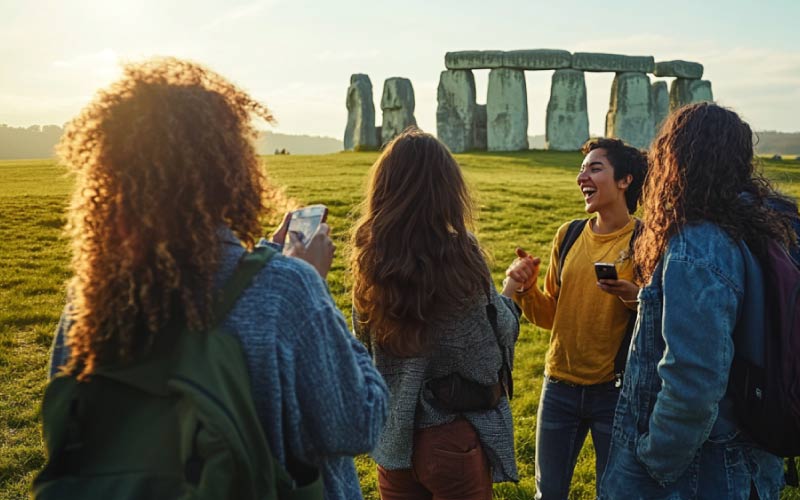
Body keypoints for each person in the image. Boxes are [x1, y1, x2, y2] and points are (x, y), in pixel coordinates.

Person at [48, 57, 388, 500]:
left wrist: (265, 256)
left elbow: (69, 439)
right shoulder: (287, 290)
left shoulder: (89, 299)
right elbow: (357, 423)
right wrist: (311, 282)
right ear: (228, 168)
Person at [598, 103, 790, 499]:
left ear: (675, 158)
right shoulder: (764, 225)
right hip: (753, 453)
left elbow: (693, 380)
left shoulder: (698, 243)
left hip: (701, 468)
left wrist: (654, 460)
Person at [350, 129, 521, 500]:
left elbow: (362, 347)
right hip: (449, 434)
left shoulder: (369, 258)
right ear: (445, 188)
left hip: (393, 441)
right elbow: (488, 346)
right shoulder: (461, 255)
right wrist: (509, 296)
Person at [504, 138, 648, 499]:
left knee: (613, 494)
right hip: (558, 387)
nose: (582, 176)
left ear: (625, 180)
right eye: (581, 168)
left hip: (614, 393)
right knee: (548, 494)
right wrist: (525, 290)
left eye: (595, 168)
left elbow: (659, 318)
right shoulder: (568, 235)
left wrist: (636, 297)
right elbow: (553, 313)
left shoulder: (646, 240)